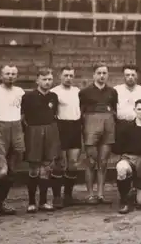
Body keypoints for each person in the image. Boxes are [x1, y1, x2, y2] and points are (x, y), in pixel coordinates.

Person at [0, 65, 25, 216]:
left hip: (16, 129)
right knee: (2, 170)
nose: (10, 76)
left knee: (12, 171)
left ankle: (2, 202)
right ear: (1, 75)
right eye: (7, 73)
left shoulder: (20, 92)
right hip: (0, 129)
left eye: (13, 74)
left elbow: (23, 112)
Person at [21, 68, 61, 213]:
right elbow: (23, 117)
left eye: (50, 79)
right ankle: (31, 202)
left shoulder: (54, 97)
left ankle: (43, 201)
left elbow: (54, 114)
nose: (47, 82)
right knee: (33, 168)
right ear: (37, 80)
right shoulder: (28, 96)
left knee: (46, 168)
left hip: (50, 131)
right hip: (34, 131)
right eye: (44, 79)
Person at [79, 63, 118, 205]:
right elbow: (81, 112)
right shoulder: (85, 92)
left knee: (103, 161)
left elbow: (114, 110)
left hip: (108, 124)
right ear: (94, 75)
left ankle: (101, 194)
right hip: (91, 124)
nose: (102, 76)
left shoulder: (112, 92)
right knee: (91, 161)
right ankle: (90, 194)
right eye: (99, 73)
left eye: (104, 73)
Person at [51, 67, 83, 207]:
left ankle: (68, 195)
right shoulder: (54, 92)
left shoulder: (77, 91)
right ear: (60, 76)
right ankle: (57, 196)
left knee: (73, 163)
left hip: (75, 127)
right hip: (61, 127)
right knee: (59, 163)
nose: (68, 78)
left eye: (71, 75)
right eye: (66, 75)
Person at [113, 65, 141, 154]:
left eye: (133, 75)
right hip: (121, 124)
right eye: (127, 75)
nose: (130, 77)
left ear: (137, 76)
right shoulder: (116, 90)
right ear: (123, 76)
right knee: (121, 150)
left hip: (138, 124)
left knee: (137, 149)